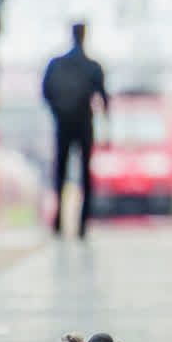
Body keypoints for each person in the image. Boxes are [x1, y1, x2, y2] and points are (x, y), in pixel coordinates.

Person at [42, 22, 108, 240]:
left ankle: (58, 222)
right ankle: (82, 225)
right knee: (85, 176)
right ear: (85, 36)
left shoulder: (56, 65)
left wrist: (57, 112)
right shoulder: (92, 67)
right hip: (83, 124)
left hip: (62, 124)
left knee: (60, 172)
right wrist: (107, 129)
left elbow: (46, 92)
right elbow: (104, 99)